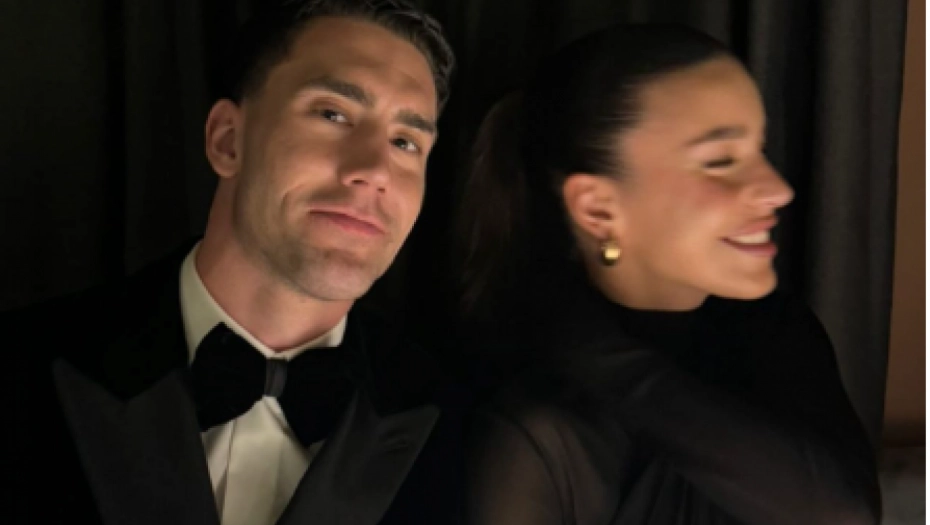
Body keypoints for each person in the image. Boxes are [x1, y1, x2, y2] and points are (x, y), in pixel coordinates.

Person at [7, 1, 464, 524]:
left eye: (405, 142)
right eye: (332, 114)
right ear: (227, 140)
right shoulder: (20, 372)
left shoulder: (461, 427)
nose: (375, 170)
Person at [456, 23, 881, 525]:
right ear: (597, 210)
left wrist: (599, 359)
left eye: (759, 151)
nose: (777, 190)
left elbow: (842, 513)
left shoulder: (782, 336)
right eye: (720, 161)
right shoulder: (535, 431)